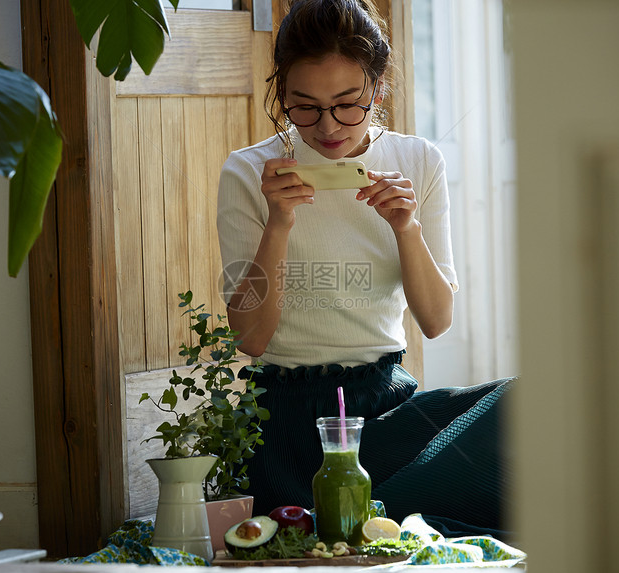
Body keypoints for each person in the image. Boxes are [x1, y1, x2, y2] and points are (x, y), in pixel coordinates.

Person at [217, 0, 512, 539]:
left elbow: (437, 320)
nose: (326, 127)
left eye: (347, 104)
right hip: (288, 418)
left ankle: (361, 519)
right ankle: (376, 520)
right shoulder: (249, 170)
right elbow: (252, 339)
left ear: (377, 89)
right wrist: (278, 223)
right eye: (303, 106)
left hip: (385, 410)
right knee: (401, 511)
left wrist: (407, 228)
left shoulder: (419, 160)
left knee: (526, 403)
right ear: (282, 94)